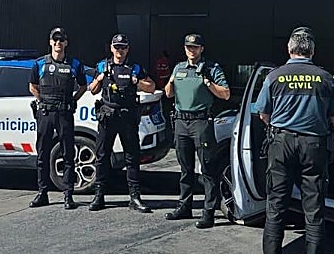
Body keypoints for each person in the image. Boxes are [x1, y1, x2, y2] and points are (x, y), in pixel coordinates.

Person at [252, 27, 334, 254]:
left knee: (275, 210)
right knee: (314, 213)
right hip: (313, 146)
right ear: (312, 51)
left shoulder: (274, 76)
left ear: (289, 49)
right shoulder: (325, 78)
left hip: (281, 145)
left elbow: (263, 114)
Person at [163, 33, 231, 228]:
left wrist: (208, 82)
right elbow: (169, 94)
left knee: (207, 168)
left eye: (195, 47)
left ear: (201, 49)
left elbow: (225, 94)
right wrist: (171, 81)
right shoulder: (179, 67)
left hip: (200, 122)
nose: (191, 50)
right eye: (188, 47)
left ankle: (208, 211)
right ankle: (184, 206)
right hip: (181, 122)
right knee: (185, 168)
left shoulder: (211, 68)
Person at [88, 33, 155, 214]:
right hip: (108, 115)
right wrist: (99, 78)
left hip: (127, 116)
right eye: (117, 47)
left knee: (132, 157)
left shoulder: (135, 68)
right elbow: (92, 90)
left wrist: (137, 82)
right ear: (111, 48)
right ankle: (99, 195)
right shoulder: (103, 65)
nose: (120, 50)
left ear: (127, 49)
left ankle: (134, 197)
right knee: (102, 156)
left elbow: (151, 87)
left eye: (123, 47)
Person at [27, 26, 86, 210]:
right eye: (55, 39)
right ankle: (42, 193)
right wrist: (42, 100)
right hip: (46, 114)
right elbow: (32, 86)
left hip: (64, 114)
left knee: (68, 154)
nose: (58, 43)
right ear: (50, 42)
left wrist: (72, 100)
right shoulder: (40, 64)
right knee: (43, 154)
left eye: (61, 40)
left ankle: (68, 194)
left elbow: (83, 86)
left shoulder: (74, 64)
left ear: (66, 43)